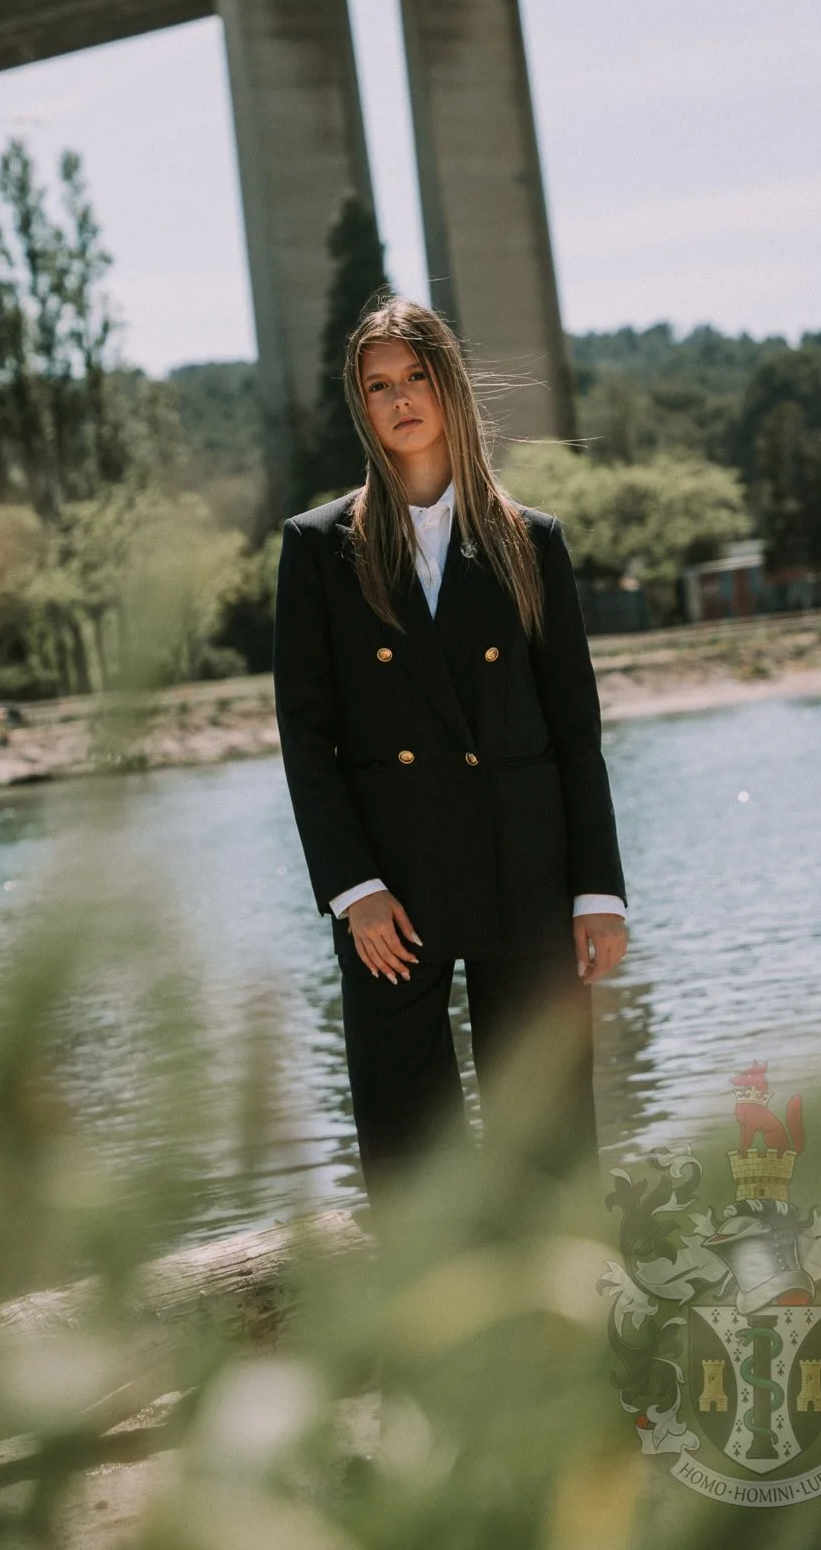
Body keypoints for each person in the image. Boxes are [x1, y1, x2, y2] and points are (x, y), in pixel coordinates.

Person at [272, 297, 628, 1205]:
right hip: (390, 895)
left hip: (526, 869)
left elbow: (573, 731)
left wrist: (596, 893)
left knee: (548, 1146)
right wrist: (353, 890)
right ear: (361, 405)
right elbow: (305, 739)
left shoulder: (529, 541)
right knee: (409, 1157)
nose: (399, 399)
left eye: (416, 376)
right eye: (377, 385)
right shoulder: (318, 548)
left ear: (449, 386)